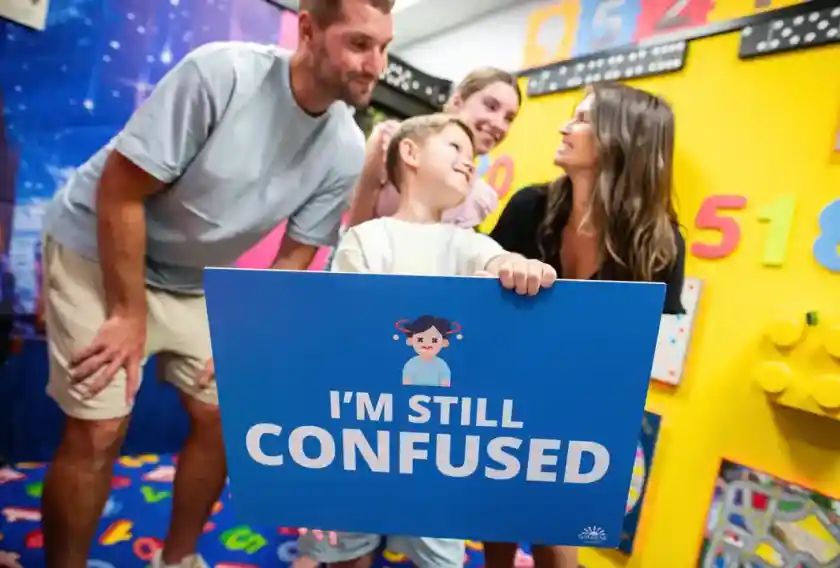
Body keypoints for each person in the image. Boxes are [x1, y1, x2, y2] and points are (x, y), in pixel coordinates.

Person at [37, 0, 394, 566]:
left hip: (191, 277)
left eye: (384, 48)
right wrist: (128, 315)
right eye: (358, 44)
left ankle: (177, 559)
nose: (375, 64)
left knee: (228, 414)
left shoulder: (346, 147)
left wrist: (246, 334)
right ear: (307, 30)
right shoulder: (221, 72)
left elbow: (294, 256)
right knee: (102, 427)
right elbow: (119, 192)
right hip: (98, 244)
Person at [296, 114, 557, 568]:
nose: (469, 162)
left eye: (473, 157)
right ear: (410, 153)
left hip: (439, 448)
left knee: (441, 555)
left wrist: (523, 267)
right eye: (455, 148)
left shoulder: (468, 244)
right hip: (366, 433)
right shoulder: (367, 239)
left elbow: (498, 261)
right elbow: (343, 333)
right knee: (348, 549)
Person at [486, 82, 686, 568]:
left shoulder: (660, 244)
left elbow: (631, 357)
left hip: (583, 412)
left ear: (621, 139)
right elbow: (480, 306)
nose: (564, 126)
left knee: (560, 548)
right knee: (495, 528)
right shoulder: (529, 208)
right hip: (504, 399)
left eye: (581, 118)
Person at [345, 66, 522, 231]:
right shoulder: (392, 142)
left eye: (509, 118)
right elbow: (354, 228)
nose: (499, 124)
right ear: (457, 101)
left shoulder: (478, 197)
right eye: (491, 106)